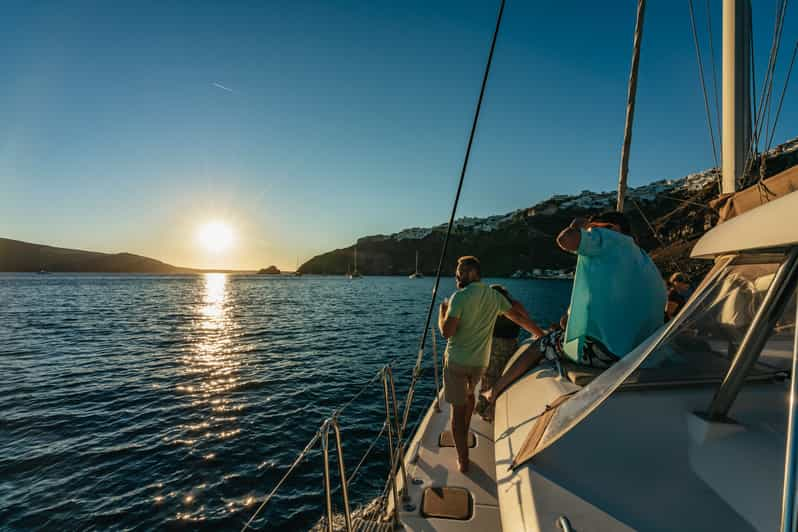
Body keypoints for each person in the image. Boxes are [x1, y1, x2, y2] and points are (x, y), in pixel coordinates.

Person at [483, 211, 666, 404]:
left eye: (595, 227)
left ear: (612, 228)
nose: (591, 231)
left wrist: (579, 225)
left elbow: (565, 240)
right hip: (643, 352)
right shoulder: (643, 258)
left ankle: (494, 391)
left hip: (611, 354)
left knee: (542, 344)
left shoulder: (612, 239)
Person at [439, 256, 544, 473]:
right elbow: (519, 318)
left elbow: (446, 332)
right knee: (469, 401)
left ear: (471, 273)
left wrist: (442, 313)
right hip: (479, 364)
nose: (457, 275)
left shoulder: (458, 298)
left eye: (460, 271)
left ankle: (463, 460)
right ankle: (465, 435)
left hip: (457, 363)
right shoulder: (494, 296)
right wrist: (541, 335)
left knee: (457, 417)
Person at [474, 285, 531, 422]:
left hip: (490, 346)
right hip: (510, 346)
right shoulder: (515, 305)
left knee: (488, 377)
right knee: (506, 376)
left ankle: (485, 409)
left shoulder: (488, 306)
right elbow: (526, 321)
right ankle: (497, 410)